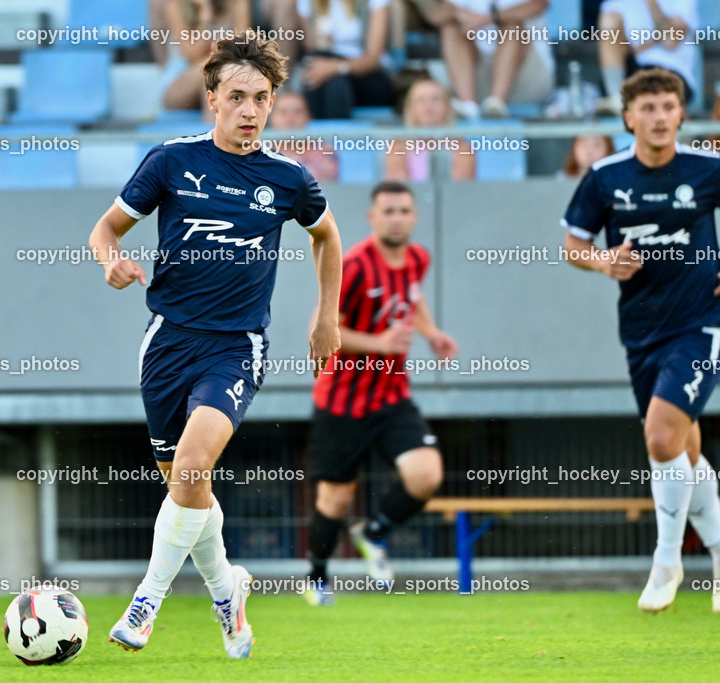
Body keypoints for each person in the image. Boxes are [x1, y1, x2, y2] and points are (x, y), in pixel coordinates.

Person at [90, 32, 343, 655]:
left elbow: (328, 237)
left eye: (262, 98)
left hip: (236, 347)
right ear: (212, 100)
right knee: (187, 487)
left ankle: (145, 603)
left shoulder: (288, 179)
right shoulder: (171, 161)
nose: (251, 110)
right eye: (237, 97)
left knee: (194, 464)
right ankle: (229, 592)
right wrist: (110, 259)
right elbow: (105, 229)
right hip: (167, 344)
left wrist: (326, 317)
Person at [561, 68, 720, 613]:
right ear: (628, 117)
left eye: (668, 106)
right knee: (681, 447)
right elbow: (574, 245)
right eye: (647, 108)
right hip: (642, 331)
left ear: (681, 114)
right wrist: (604, 261)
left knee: (659, 438)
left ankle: (667, 561)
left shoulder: (709, 169)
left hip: (705, 322)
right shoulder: (605, 177)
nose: (658, 117)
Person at [302, 180, 459, 605]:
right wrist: (379, 343)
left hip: (391, 395)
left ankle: (374, 533)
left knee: (427, 474)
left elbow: (412, 296)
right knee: (334, 499)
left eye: (404, 211)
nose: (396, 218)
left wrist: (431, 333)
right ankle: (315, 578)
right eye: (388, 211)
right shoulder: (352, 265)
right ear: (372, 217)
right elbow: (319, 328)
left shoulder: (417, 259)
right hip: (343, 401)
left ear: (414, 216)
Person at [418, 0, 555, 119]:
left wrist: (490, 18)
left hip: (527, 79)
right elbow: (434, 17)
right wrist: (457, 12)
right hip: (479, 81)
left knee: (512, 27)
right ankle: (468, 104)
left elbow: (540, 4)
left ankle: (497, 102)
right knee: (451, 28)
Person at [594, 0, 698, 117]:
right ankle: (616, 99)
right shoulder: (615, 4)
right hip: (631, 72)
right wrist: (654, 40)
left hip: (671, 71)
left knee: (658, 95)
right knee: (609, 21)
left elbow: (670, 40)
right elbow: (613, 47)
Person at [296, 0, 396, 119]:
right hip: (325, 67)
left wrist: (335, 68)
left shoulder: (374, 3)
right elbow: (311, 48)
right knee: (322, 73)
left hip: (368, 74)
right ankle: (330, 135)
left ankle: (323, 135)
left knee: (335, 82)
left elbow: (374, 59)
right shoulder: (308, 2)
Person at [161, 0, 252, 111]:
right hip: (181, 81)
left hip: (224, 75)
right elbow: (194, 55)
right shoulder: (176, 5)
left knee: (220, 75)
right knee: (214, 71)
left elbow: (242, 46)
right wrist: (205, 18)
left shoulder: (238, 3)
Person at [384, 77, 476, 182]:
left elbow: (460, 191)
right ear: (411, 108)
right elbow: (397, 190)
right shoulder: (397, 146)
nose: (428, 106)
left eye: (435, 99)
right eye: (421, 100)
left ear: (447, 107)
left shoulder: (463, 148)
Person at [267, 90, 341, 181]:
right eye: (283, 112)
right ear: (271, 118)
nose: (290, 118)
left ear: (308, 116)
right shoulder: (259, 152)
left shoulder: (325, 150)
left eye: (298, 112)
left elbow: (324, 186)